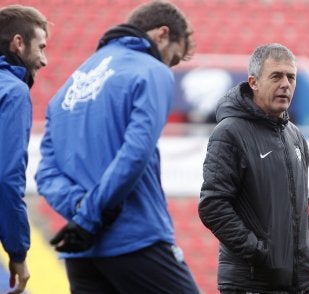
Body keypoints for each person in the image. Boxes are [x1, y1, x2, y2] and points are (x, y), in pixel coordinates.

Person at [34, 1, 199, 293]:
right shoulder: (152, 71)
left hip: (82, 251)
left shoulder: (67, 89)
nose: (169, 67)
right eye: (172, 59)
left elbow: (46, 174)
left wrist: (80, 210)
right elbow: (135, 153)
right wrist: (90, 215)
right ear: (162, 34)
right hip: (135, 239)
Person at [199, 43, 309, 293]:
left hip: (296, 281)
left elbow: (300, 203)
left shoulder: (295, 136)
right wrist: (259, 254)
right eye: (276, 76)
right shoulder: (229, 133)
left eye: (291, 77)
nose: (285, 84)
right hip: (252, 283)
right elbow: (213, 205)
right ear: (254, 82)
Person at [0, 5, 48, 294]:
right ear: (18, 43)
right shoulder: (12, 91)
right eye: (40, 47)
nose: (43, 60)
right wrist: (17, 253)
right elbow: (6, 177)